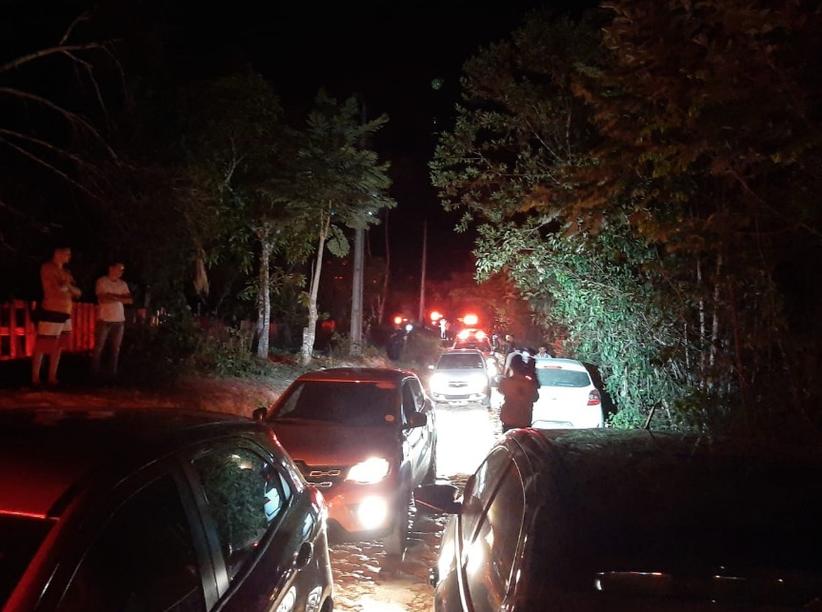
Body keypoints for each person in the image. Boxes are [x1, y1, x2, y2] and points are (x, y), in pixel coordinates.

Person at [32, 246, 81, 386]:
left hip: (66, 312)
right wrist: (66, 288)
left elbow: (77, 292)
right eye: (67, 254)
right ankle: (35, 378)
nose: (69, 257)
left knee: (58, 346)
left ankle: (52, 376)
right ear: (57, 253)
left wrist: (68, 287)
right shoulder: (48, 268)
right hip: (51, 310)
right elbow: (53, 289)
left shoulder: (66, 272)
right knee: (43, 344)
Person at [91, 261, 132, 379]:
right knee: (99, 348)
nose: (121, 272)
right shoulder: (102, 281)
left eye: (122, 270)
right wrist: (120, 297)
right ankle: (94, 374)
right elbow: (102, 298)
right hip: (104, 319)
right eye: (119, 269)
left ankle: (111, 375)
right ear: (111, 268)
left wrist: (111, 296)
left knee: (115, 349)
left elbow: (129, 300)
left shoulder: (122, 284)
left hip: (119, 320)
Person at [499, 357, 539, 433]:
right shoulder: (529, 382)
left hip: (509, 418)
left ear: (511, 367)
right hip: (524, 419)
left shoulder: (506, 382)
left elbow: (500, 390)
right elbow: (535, 397)